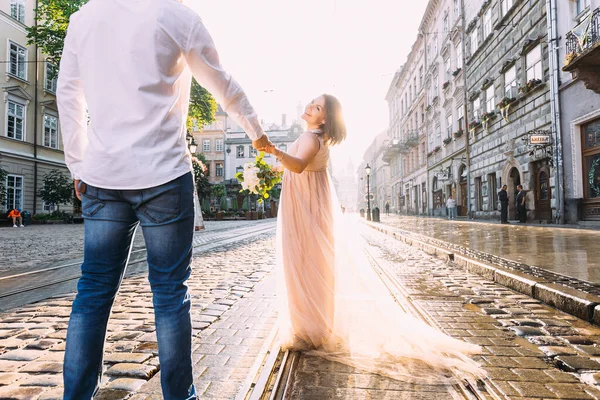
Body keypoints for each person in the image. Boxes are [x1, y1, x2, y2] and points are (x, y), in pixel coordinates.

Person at [56, 1, 271, 398]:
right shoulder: (177, 15)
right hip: (163, 175)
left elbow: (68, 93)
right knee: (171, 292)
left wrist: (77, 164)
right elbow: (219, 81)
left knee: (93, 289)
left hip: (103, 175)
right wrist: (255, 130)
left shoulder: (83, 18)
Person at [263, 95, 484, 384]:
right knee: (314, 266)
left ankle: (310, 329)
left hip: (304, 208)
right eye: (311, 102)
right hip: (309, 206)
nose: (308, 106)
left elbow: (299, 165)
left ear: (325, 118)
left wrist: (273, 151)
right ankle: (314, 325)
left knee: (304, 263)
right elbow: (298, 165)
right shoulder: (318, 138)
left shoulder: (310, 137)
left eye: (316, 107)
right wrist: (273, 170)